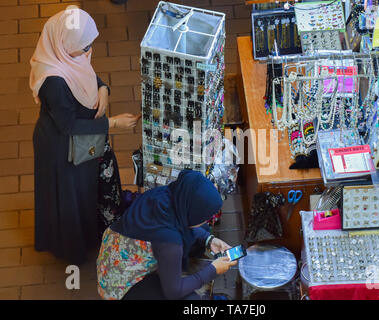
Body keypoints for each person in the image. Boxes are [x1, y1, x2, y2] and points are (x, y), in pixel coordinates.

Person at [30, 9, 140, 265]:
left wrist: (103, 87)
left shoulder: (63, 55)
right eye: (84, 46)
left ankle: (96, 231)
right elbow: (68, 125)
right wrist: (112, 123)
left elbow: (82, 72)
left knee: (89, 187)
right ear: (64, 44)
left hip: (85, 142)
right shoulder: (52, 81)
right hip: (64, 148)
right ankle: (77, 246)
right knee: (74, 195)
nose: (89, 51)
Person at [97, 170, 237, 300]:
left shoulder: (164, 195)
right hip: (118, 287)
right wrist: (213, 270)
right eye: (205, 217)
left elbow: (178, 224)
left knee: (203, 231)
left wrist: (209, 240)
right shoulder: (170, 242)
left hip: (112, 257)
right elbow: (174, 292)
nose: (207, 220)